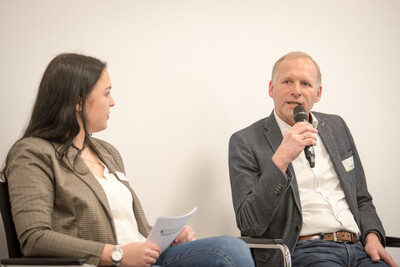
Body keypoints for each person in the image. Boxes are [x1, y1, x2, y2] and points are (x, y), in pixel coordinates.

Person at [1, 53, 254, 267]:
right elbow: (34, 238)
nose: (113, 102)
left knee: (231, 248)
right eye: (107, 93)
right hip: (105, 263)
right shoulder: (32, 153)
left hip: (143, 260)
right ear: (78, 102)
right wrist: (116, 255)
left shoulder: (106, 152)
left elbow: (135, 229)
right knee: (228, 251)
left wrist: (166, 238)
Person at [228, 51, 397, 267]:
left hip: (360, 248)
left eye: (306, 84)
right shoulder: (245, 141)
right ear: (271, 88)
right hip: (305, 251)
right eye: (287, 81)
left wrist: (373, 236)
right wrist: (280, 159)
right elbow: (249, 223)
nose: (296, 91)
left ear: (318, 93)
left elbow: (361, 198)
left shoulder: (337, 127)